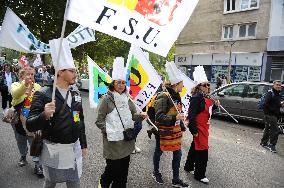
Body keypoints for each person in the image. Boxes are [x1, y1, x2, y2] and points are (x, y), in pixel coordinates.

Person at [26, 38, 87, 188]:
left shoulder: (75, 92)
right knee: (50, 182)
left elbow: (80, 119)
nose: (75, 74)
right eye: (72, 71)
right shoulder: (44, 93)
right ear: (60, 72)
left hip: (74, 148)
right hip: (54, 150)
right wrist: (44, 115)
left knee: (74, 182)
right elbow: (30, 124)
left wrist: (83, 144)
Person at [96, 57, 147, 188]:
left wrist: (141, 116)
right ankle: (103, 184)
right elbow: (99, 121)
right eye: (118, 82)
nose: (121, 85)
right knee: (112, 170)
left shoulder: (128, 99)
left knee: (123, 173)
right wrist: (111, 131)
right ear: (113, 83)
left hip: (127, 141)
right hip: (113, 143)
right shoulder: (106, 100)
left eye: (123, 83)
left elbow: (132, 116)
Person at [152, 62, 188, 187]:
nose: (183, 87)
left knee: (178, 153)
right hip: (162, 131)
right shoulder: (163, 96)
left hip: (175, 131)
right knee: (159, 151)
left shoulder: (177, 95)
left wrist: (182, 124)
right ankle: (156, 172)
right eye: (182, 84)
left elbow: (178, 113)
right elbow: (159, 116)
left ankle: (176, 179)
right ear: (176, 84)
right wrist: (175, 118)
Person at [184, 66, 220, 184]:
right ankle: (199, 175)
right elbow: (191, 115)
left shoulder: (205, 97)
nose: (208, 87)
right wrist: (194, 130)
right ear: (199, 86)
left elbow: (207, 110)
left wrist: (215, 106)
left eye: (208, 85)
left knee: (195, 146)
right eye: (205, 85)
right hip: (199, 128)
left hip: (205, 127)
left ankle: (188, 166)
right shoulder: (196, 98)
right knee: (203, 150)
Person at [10, 66, 42, 177]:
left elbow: (42, 100)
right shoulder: (16, 85)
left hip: (32, 119)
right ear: (22, 76)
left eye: (32, 74)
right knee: (20, 139)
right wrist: (25, 87)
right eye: (28, 74)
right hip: (18, 119)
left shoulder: (37, 86)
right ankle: (23, 156)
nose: (30, 76)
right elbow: (15, 95)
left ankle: (37, 164)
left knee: (34, 140)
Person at [260, 80, 284, 153]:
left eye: (280, 85)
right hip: (270, 115)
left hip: (274, 114)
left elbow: (275, 103)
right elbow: (265, 104)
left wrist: (281, 104)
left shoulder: (278, 94)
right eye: (277, 85)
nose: (279, 86)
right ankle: (272, 145)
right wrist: (272, 110)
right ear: (273, 85)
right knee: (275, 130)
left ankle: (263, 142)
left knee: (268, 128)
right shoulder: (270, 93)